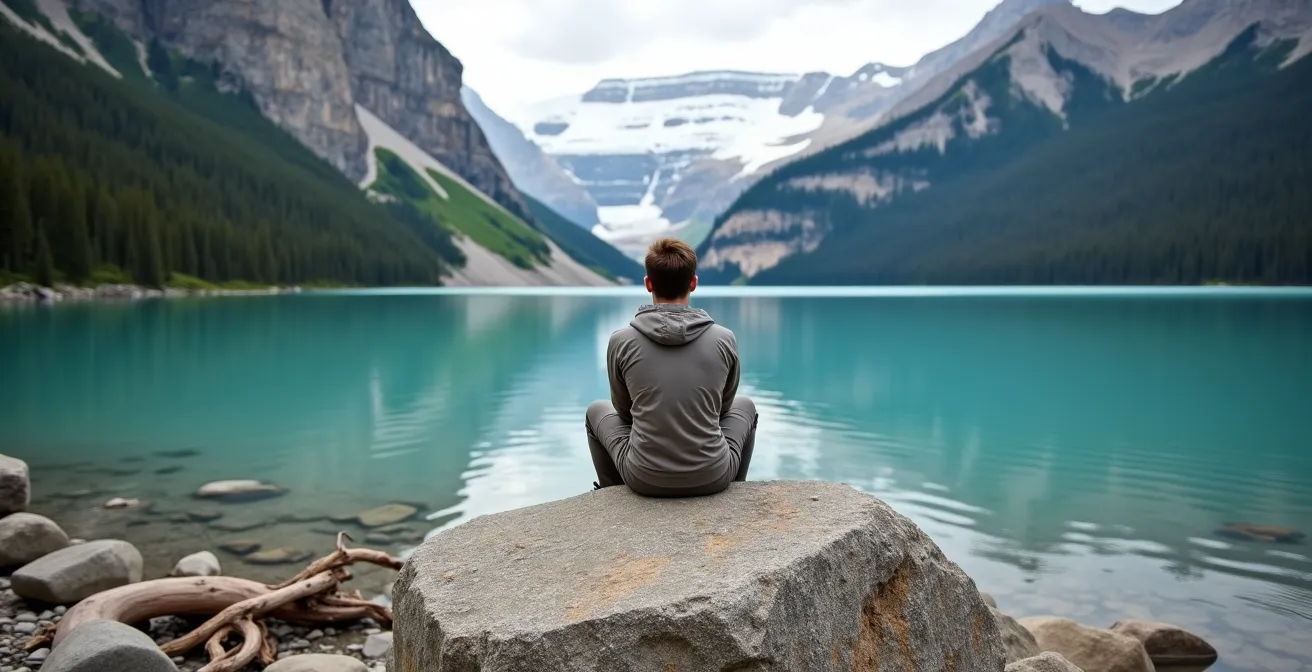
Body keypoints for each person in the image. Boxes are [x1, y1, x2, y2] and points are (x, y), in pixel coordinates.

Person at [586, 238, 758, 497]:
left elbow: (623, 411)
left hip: (643, 478)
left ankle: (614, 497)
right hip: (714, 476)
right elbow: (723, 408)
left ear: (648, 284)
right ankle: (733, 494)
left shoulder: (621, 341)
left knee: (596, 411)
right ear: (693, 283)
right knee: (746, 406)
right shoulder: (724, 338)